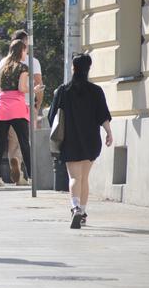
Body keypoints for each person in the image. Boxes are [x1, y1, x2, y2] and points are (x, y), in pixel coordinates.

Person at [48, 53, 112, 229]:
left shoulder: (63, 91)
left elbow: (52, 116)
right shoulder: (96, 91)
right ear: (88, 69)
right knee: (84, 177)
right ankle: (82, 212)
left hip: (70, 139)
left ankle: (75, 207)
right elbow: (103, 115)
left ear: (73, 68)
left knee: (74, 177)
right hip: (91, 140)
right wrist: (108, 132)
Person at [0, 39, 43, 187]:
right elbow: (21, 88)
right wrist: (34, 90)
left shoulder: (3, 68)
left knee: (0, 144)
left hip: (1, 108)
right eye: (25, 50)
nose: (26, 53)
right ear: (21, 51)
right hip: (17, 108)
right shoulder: (22, 67)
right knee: (24, 143)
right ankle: (31, 177)